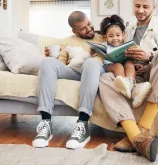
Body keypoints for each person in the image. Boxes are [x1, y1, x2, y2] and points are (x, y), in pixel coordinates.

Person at [98, 0, 158, 162]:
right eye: (137, 6)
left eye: (145, 6)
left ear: (154, 7)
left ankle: (142, 128)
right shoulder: (129, 27)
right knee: (105, 78)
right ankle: (136, 137)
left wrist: (149, 57)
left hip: (154, 72)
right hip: (132, 72)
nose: (140, 10)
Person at [32, 11, 105, 149]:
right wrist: (52, 57)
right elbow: (61, 63)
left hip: (93, 71)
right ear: (74, 30)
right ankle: (45, 123)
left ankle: (82, 124)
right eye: (83, 28)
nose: (89, 28)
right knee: (47, 62)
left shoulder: (103, 38)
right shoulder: (67, 41)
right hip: (73, 71)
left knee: (90, 63)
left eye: (89, 24)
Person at [99, 15, 151, 108]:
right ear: (105, 37)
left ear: (123, 35)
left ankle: (131, 84)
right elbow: (98, 52)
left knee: (129, 63)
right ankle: (123, 84)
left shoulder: (125, 45)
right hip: (110, 65)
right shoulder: (104, 45)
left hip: (124, 63)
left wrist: (135, 63)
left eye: (118, 35)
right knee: (118, 65)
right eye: (111, 36)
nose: (115, 38)